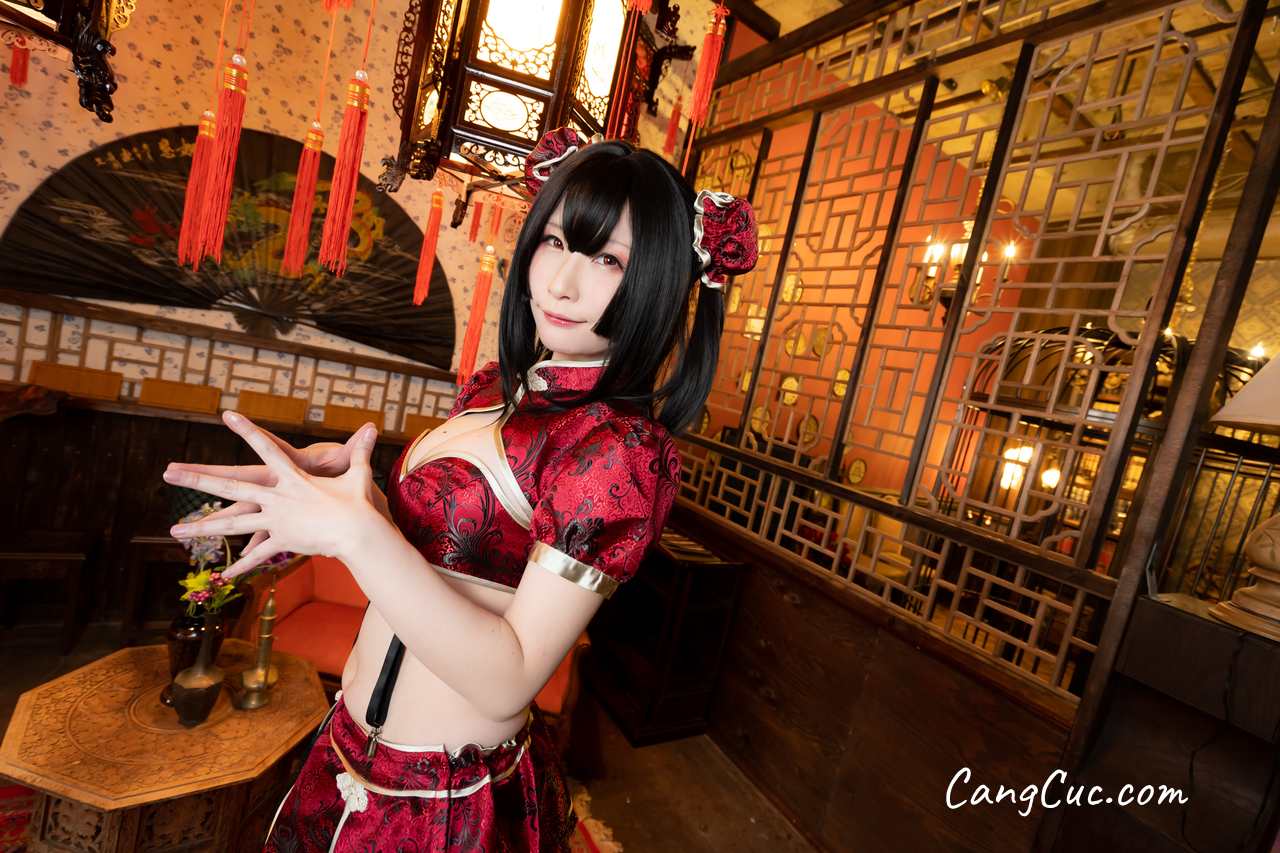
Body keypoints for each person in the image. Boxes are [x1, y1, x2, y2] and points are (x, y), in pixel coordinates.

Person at [162, 128, 758, 853]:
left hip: (442, 807)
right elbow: (438, 557)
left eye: (609, 259)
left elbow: (510, 678)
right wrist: (351, 493)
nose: (561, 283)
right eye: (555, 242)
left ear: (660, 281)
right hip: (348, 747)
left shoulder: (616, 451)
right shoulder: (494, 391)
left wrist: (357, 531)